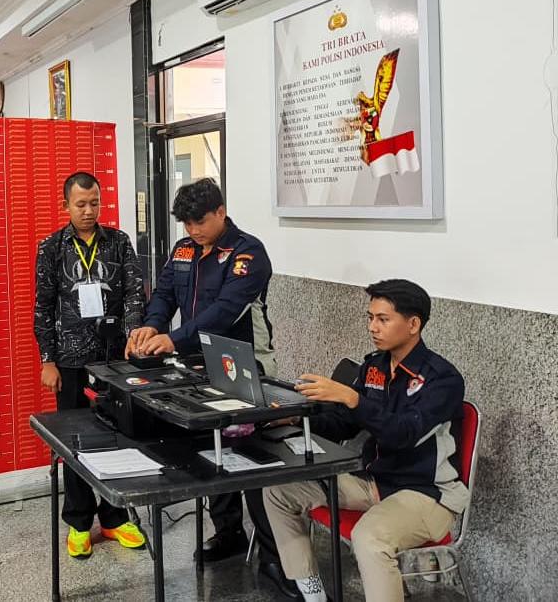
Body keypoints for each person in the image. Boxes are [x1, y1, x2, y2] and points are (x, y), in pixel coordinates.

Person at [124, 178, 295, 597]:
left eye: (199, 221)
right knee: (208, 445)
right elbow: (164, 293)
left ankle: (276, 555)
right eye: (186, 223)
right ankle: (228, 532)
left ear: (221, 211)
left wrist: (174, 339)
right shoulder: (184, 250)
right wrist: (153, 324)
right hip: (194, 364)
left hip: (244, 364)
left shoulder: (247, 253)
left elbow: (224, 311)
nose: (192, 231)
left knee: (251, 454)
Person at [264, 279, 468, 602]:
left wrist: (353, 399)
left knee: (369, 537)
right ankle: (312, 593)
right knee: (278, 489)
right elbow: (342, 425)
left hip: (427, 494)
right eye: (370, 317)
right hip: (375, 484)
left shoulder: (443, 379)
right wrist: (296, 416)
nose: (373, 327)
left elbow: (404, 433)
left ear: (413, 324)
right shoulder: (373, 366)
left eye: (383, 319)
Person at [34, 172, 147, 559]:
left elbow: (134, 293)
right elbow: (43, 307)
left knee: (118, 436)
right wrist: (47, 359)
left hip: (114, 359)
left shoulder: (118, 242)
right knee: (76, 441)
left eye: (94, 203)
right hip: (69, 360)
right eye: (80, 204)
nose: (88, 211)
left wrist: (134, 336)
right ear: (65, 205)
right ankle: (80, 522)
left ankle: (115, 517)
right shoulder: (51, 248)